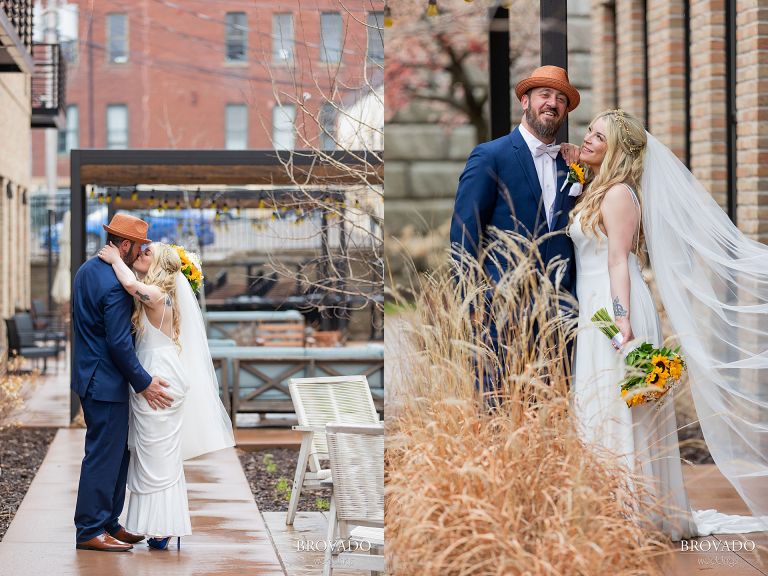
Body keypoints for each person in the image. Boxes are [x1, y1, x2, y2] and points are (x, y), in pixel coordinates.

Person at [565, 109, 767, 539]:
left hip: (615, 308)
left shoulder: (619, 194)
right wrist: (576, 164)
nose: (587, 139)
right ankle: (607, 508)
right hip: (595, 308)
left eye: (597, 136)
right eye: (589, 131)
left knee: (624, 409)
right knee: (599, 404)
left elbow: (618, 259)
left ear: (616, 149)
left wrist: (623, 327)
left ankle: (633, 515)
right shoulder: (597, 187)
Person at [449, 65, 582, 398]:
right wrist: (473, 307)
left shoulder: (574, 166)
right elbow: (464, 236)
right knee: (498, 412)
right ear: (525, 101)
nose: (552, 103)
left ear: (565, 110)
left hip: (560, 318)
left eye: (561, 99)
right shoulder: (490, 156)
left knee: (551, 413)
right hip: (501, 313)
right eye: (545, 95)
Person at [98, 239, 235, 550]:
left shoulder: (158, 295)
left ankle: (161, 527)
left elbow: (132, 285)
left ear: (159, 266)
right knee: (152, 453)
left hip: (159, 377)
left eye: (149, 253)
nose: (142, 254)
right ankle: (155, 524)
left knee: (156, 454)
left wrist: (113, 258)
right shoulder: (163, 296)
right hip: (156, 370)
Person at [72, 214, 173, 552]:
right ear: (125, 244)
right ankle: (89, 529)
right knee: (103, 456)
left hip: (92, 375)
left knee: (116, 455)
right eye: (139, 246)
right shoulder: (115, 284)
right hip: (105, 381)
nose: (141, 251)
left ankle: (109, 523)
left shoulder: (89, 269)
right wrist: (144, 383)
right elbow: (118, 342)